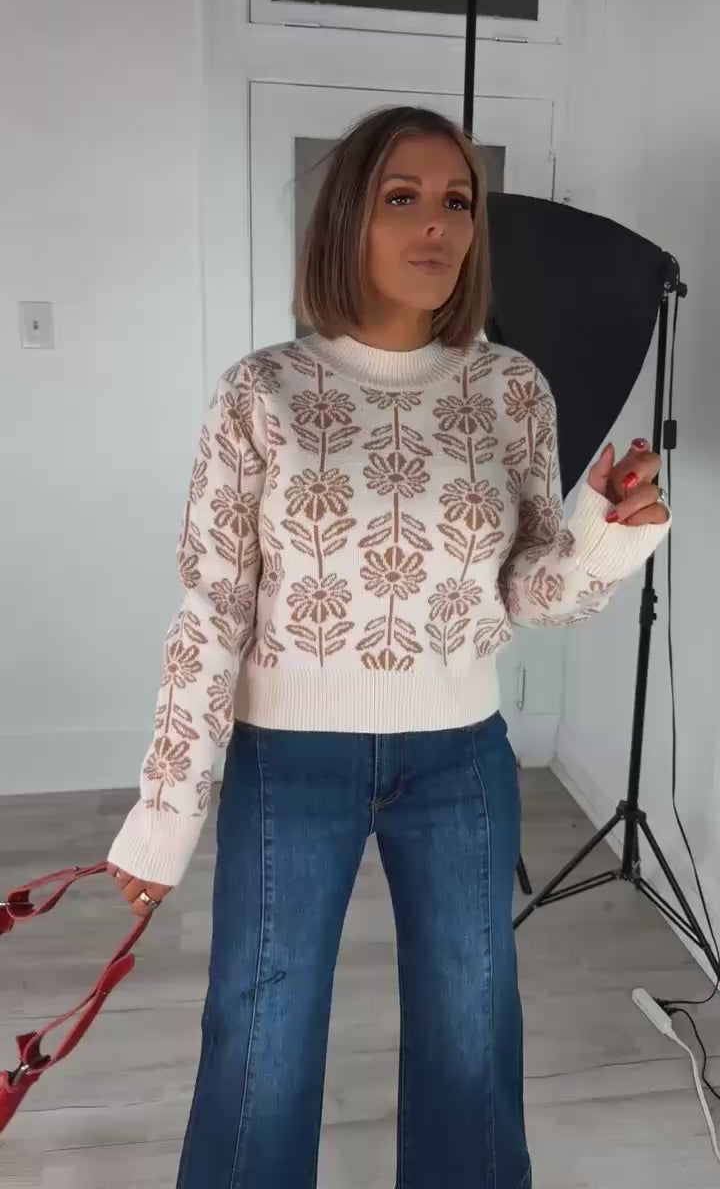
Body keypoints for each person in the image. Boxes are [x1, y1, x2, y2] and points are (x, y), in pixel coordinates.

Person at [107, 107, 670, 1189]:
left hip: (461, 759)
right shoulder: (263, 390)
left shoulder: (511, 389)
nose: (436, 224)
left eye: (457, 200)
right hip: (288, 762)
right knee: (261, 1041)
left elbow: (527, 590)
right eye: (400, 197)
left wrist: (605, 530)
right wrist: (165, 810)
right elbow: (213, 604)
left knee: (472, 1034)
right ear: (347, 220)